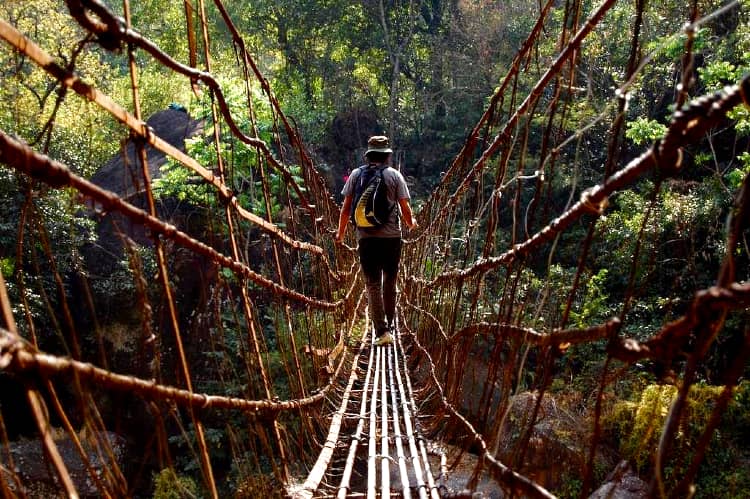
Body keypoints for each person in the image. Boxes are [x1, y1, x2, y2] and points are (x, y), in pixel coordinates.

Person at [335, 136, 417, 346]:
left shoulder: (356, 175)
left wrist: (340, 233)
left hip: (366, 239)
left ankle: (381, 332)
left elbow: (346, 209)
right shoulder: (394, 175)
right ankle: (390, 323)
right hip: (391, 238)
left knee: (372, 284)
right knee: (390, 281)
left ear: (369, 155)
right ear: (388, 155)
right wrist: (411, 224)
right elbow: (405, 209)